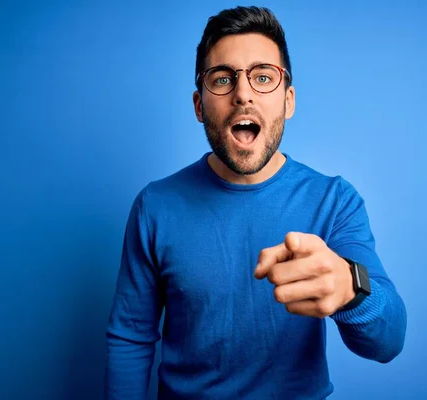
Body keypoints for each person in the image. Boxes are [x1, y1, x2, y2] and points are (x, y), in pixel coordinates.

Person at [104, 5, 407, 399]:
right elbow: (130, 338)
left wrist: (351, 287)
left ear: (288, 100)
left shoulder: (334, 202)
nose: (243, 94)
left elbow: (389, 341)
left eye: (263, 77)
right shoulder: (154, 206)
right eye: (223, 79)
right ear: (199, 105)